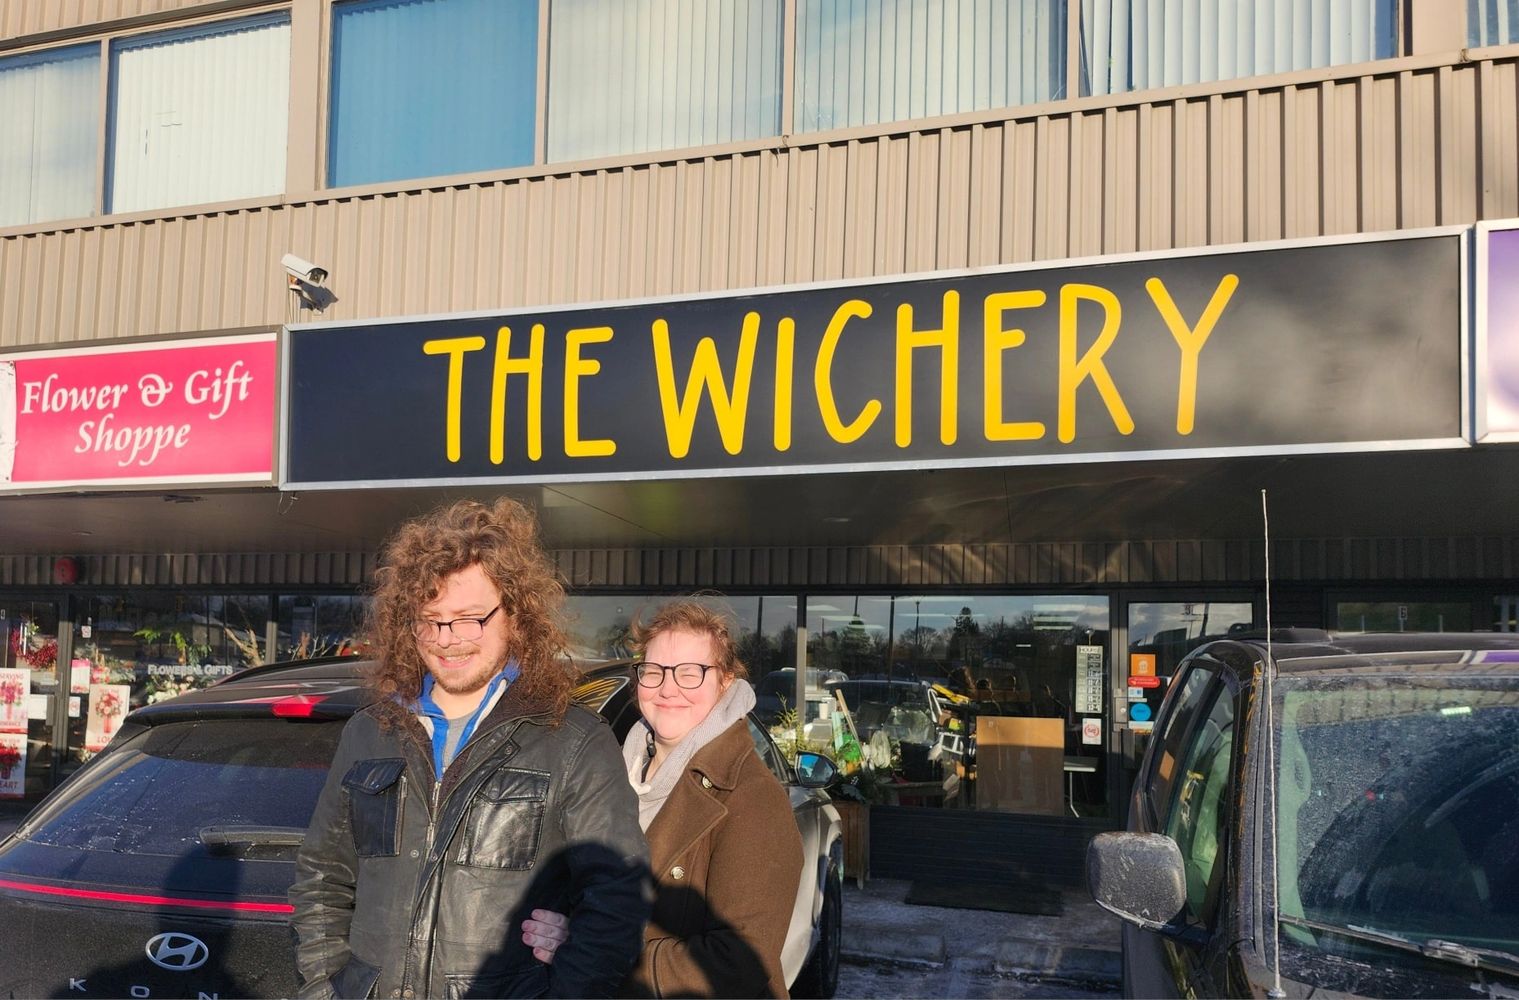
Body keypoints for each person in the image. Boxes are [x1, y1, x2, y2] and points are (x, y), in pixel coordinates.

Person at [289, 498, 651, 1000]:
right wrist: (325, 988)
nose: (447, 639)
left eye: (469, 618)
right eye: (430, 619)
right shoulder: (369, 732)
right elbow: (323, 877)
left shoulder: (573, 739)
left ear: (516, 616)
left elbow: (617, 899)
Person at [521, 600, 805, 998]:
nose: (668, 688)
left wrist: (594, 950)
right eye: (653, 672)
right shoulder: (606, 772)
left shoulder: (752, 798)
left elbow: (739, 961)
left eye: (690, 673)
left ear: (724, 682)